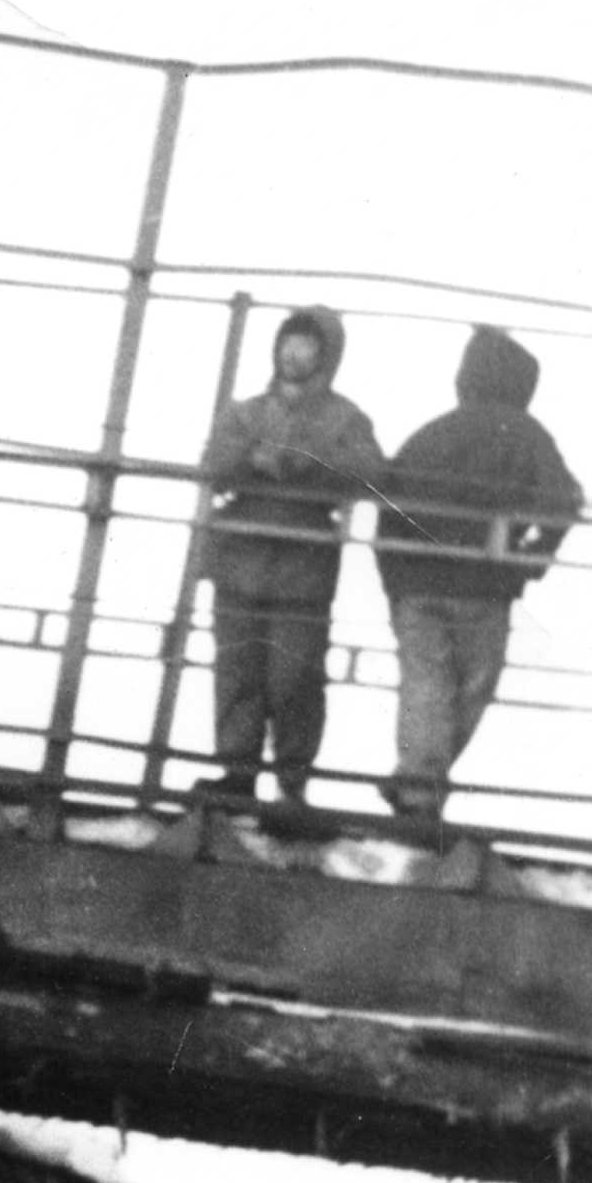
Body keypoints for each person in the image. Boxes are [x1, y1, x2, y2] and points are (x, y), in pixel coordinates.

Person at [372, 326, 581, 833]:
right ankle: (419, 790)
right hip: (485, 587)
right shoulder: (527, 434)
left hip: (417, 581)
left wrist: (393, 579)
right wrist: (531, 557)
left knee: (426, 685)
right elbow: (564, 500)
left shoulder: (433, 431)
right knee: (472, 688)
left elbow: (389, 504)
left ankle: (417, 782)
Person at [199, 304, 381, 827]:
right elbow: (213, 460)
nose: (294, 353)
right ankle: (237, 776)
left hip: (303, 570)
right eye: (288, 342)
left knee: (294, 680)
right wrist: (252, 459)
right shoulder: (246, 412)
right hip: (241, 562)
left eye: (307, 345)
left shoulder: (346, 418)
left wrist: (308, 460)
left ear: (327, 356)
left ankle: (292, 788)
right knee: (237, 674)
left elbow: (371, 469)